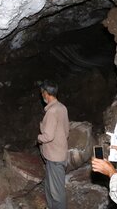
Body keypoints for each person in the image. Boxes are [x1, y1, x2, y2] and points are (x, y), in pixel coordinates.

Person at [37, 80, 70, 209]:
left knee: (57, 193)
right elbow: (66, 131)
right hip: (59, 154)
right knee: (50, 187)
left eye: (42, 93)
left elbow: (48, 136)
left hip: (55, 158)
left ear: (46, 93)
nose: (42, 96)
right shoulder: (62, 107)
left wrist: (38, 138)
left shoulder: (51, 112)